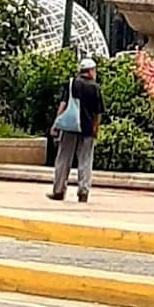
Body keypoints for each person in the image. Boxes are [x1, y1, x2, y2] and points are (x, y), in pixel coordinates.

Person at [49, 57, 103, 204]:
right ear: (91, 71)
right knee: (85, 160)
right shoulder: (95, 88)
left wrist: (56, 123)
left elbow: (63, 104)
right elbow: (98, 113)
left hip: (70, 126)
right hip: (87, 129)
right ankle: (83, 192)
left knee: (63, 158)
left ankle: (59, 190)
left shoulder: (72, 84)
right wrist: (95, 129)